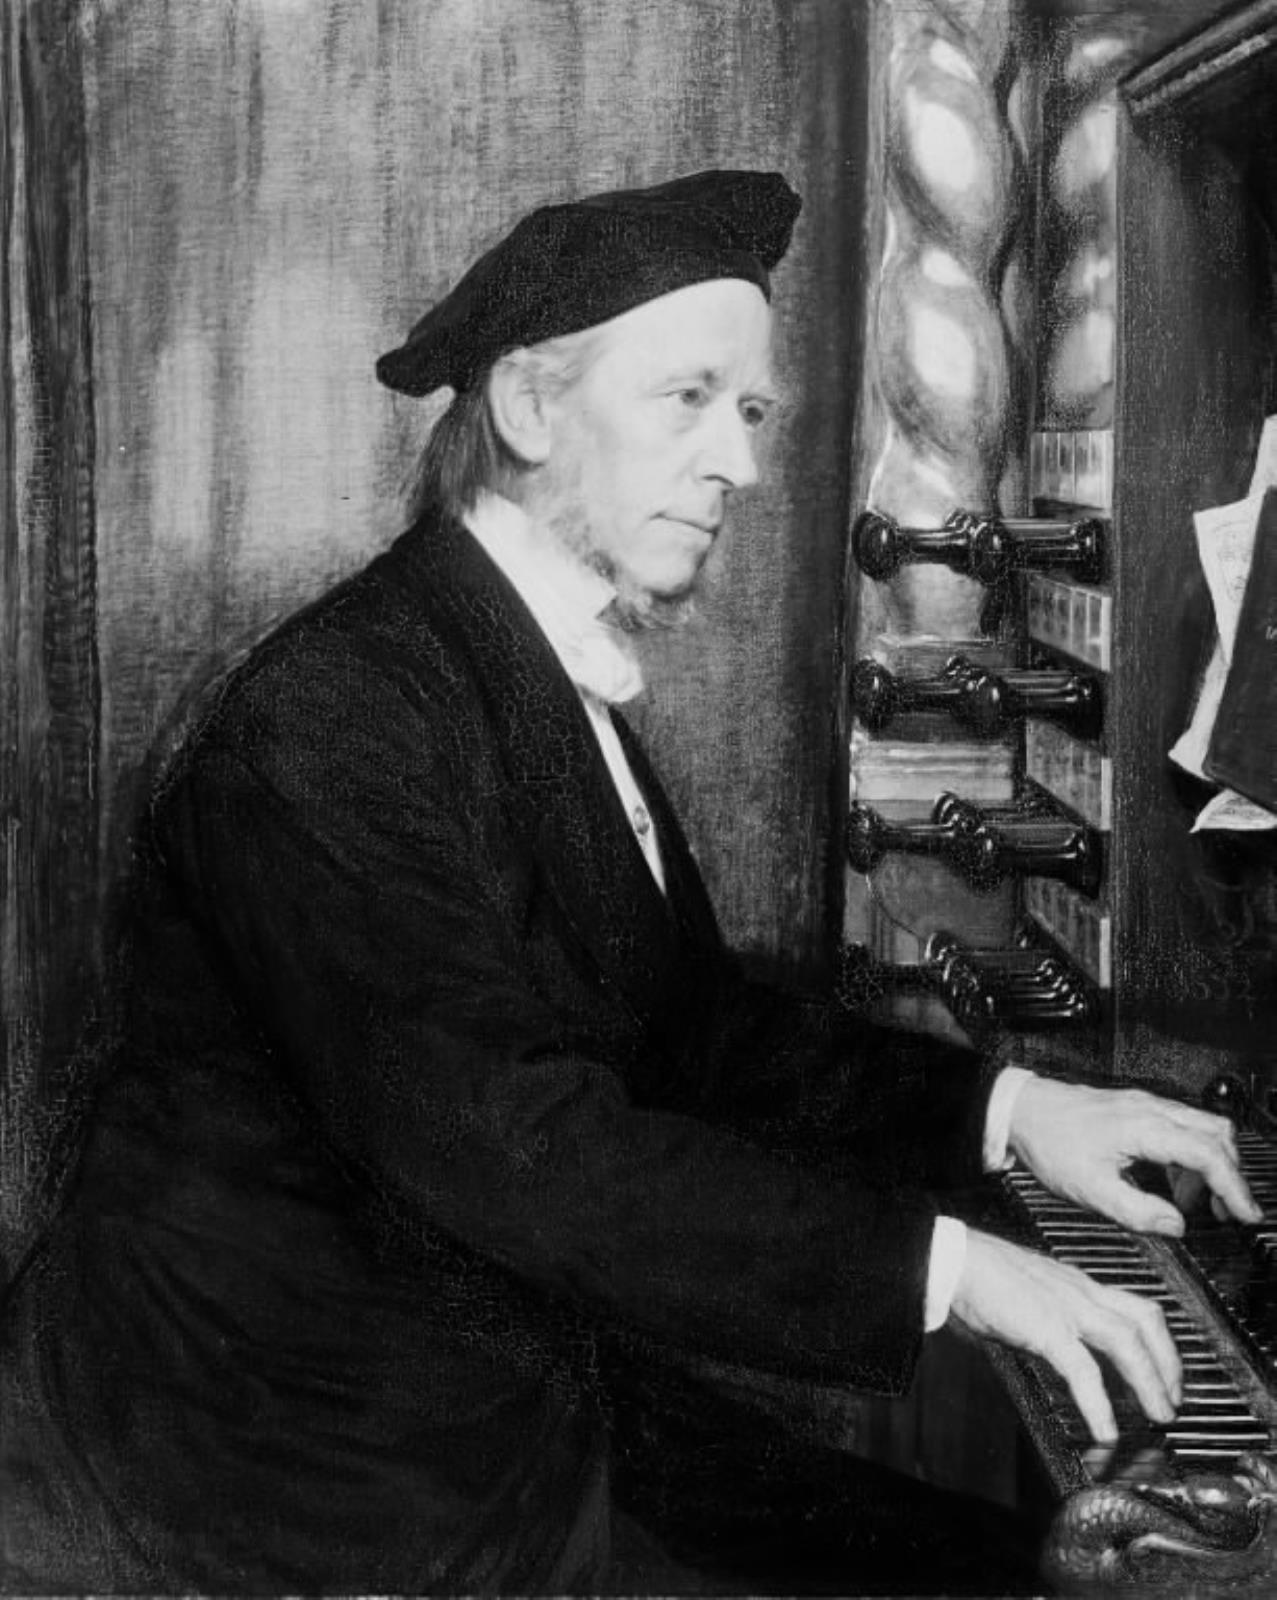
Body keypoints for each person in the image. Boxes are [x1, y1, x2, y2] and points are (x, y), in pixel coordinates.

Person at [2, 170, 1261, 1596]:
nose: (739, 464)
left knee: (989, 1566)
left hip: (485, 1392)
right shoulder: (333, 715)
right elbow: (516, 1144)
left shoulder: (525, 663)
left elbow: (699, 1036)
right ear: (529, 409)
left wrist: (1017, 1109)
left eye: (751, 413)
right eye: (688, 400)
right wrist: (952, 1272)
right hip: (286, 1471)